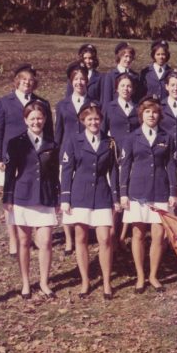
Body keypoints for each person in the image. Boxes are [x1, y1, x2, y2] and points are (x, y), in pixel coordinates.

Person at [0, 63, 54, 256]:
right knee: (11, 196)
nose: (27, 83)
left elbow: (49, 132)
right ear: (17, 81)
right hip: (10, 158)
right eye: (23, 80)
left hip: (35, 157)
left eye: (31, 80)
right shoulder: (3, 102)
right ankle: (13, 238)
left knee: (34, 192)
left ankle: (34, 233)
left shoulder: (42, 103)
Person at [60, 104, 121, 299]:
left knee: (105, 239)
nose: (93, 123)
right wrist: (65, 198)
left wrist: (115, 198)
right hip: (80, 195)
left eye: (96, 119)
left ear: (101, 120)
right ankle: (85, 281)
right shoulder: (73, 140)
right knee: (81, 238)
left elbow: (114, 172)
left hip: (102, 195)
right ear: (82, 121)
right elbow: (67, 170)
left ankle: (106, 282)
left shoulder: (109, 142)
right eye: (89, 119)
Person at [119, 98, 177, 293]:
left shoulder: (167, 137)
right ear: (141, 115)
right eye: (147, 112)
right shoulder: (131, 137)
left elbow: (170, 165)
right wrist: (123, 193)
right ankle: (140, 276)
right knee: (137, 234)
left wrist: (172, 192)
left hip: (160, 191)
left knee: (159, 236)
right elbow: (125, 166)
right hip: (137, 192)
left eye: (154, 112)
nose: (151, 115)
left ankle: (153, 275)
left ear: (159, 115)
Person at [2, 101, 60, 300]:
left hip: (45, 197)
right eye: (32, 118)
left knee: (45, 242)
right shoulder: (15, 142)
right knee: (24, 242)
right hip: (22, 197)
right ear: (25, 120)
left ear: (44, 119)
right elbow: (10, 174)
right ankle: (26, 282)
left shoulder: (52, 143)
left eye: (40, 117)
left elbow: (55, 174)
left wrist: (58, 198)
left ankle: (44, 282)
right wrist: (7, 198)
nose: (37, 121)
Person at [54, 61, 92, 255]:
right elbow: (58, 133)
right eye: (76, 79)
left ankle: (84, 229)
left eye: (82, 79)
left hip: (87, 154)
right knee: (66, 192)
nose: (79, 83)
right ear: (71, 82)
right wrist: (57, 155)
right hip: (68, 153)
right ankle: (69, 239)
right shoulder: (62, 105)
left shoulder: (94, 104)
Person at [102, 72, 140, 247]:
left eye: (129, 86)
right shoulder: (109, 107)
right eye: (123, 85)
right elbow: (102, 132)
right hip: (114, 156)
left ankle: (122, 236)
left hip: (132, 156)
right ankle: (112, 233)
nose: (126, 89)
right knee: (114, 193)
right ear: (117, 88)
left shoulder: (137, 107)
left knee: (128, 193)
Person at [100, 42, 140, 107]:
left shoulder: (135, 76)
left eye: (130, 57)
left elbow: (137, 98)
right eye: (126, 56)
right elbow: (107, 100)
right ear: (119, 56)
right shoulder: (110, 76)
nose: (128, 59)